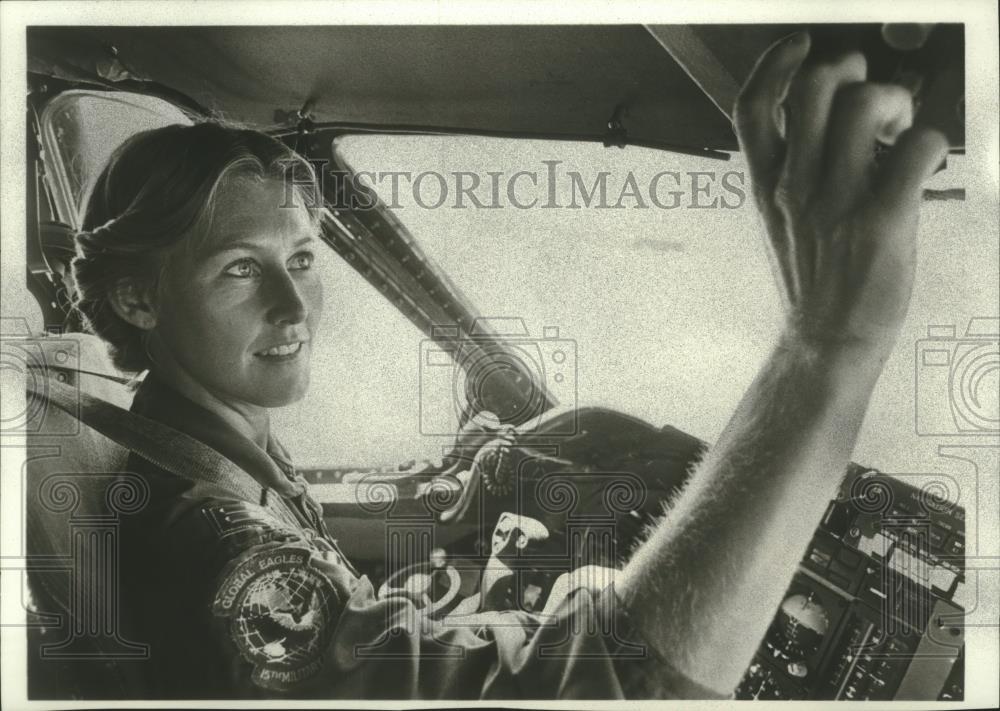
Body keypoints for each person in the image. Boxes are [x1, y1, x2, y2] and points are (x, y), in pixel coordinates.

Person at [68, 32, 948, 699]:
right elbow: (590, 696)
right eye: (239, 268)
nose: (296, 309)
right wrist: (828, 346)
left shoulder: (213, 448)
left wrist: (474, 604)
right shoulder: (213, 540)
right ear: (138, 298)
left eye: (301, 259)